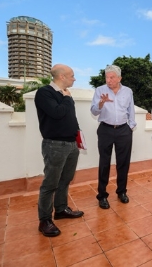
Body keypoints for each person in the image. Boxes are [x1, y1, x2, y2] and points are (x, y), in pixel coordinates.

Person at [35, 64, 84, 237]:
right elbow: (57, 112)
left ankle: (61, 209)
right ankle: (45, 220)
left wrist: (78, 137)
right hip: (55, 145)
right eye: (72, 75)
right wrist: (67, 98)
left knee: (65, 180)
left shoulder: (65, 95)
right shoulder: (45, 93)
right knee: (50, 184)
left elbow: (70, 117)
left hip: (71, 145)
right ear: (62, 77)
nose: (74, 78)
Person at [90, 65, 136, 209]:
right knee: (104, 163)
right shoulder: (100, 91)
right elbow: (94, 111)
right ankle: (102, 195)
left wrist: (131, 127)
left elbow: (131, 110)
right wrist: (101, 103)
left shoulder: (127, 91)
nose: (108, 80)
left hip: (123, 130)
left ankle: (121, 191)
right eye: (107, 77)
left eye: (112, 77)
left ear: (119, 78)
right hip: (105, 130)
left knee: (123, 163)